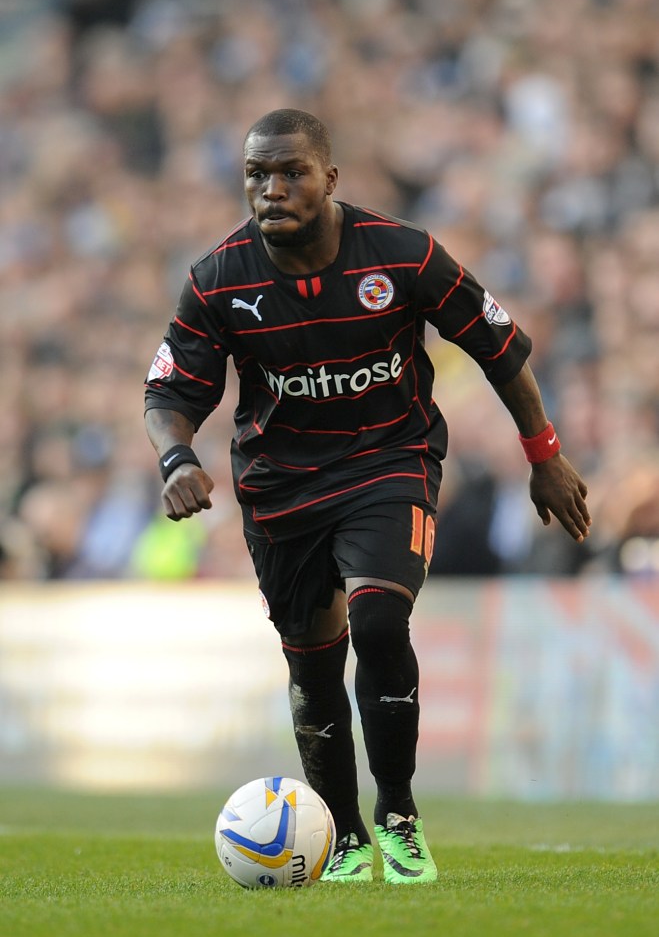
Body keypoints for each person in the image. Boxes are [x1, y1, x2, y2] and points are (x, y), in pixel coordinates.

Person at [144, 108, 591, 884]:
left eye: (290, 172)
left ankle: (397, 814)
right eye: (257, 174)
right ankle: (343, 835)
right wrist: (177, 457)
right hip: (280, 489)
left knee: (380, 618)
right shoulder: (219, 277)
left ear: (330, 179)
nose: (272, 189)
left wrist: (542, 452)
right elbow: (168, 392)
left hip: (390, 461)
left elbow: (496, 347)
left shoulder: (403, 254)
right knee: (314, 668)